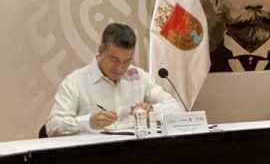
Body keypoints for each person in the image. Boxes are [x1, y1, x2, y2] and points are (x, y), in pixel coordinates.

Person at [45, 23, 182, 136]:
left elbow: (176, 108)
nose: (120, 68)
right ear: (101, 51)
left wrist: (151, 110)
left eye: (127, 61)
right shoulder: (75, 82)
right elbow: (53, 126)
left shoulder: (139, 77)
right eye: (114, 59)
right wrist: (88, 122)